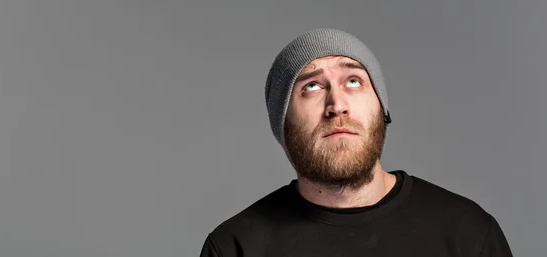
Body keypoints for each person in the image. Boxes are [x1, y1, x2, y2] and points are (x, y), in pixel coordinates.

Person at [199, 28, 513, 256]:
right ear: (282, 123)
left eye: (353, 81)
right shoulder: (236, 247)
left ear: (381, 108)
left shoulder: (467, 234)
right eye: (311, 86)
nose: (337, 104)